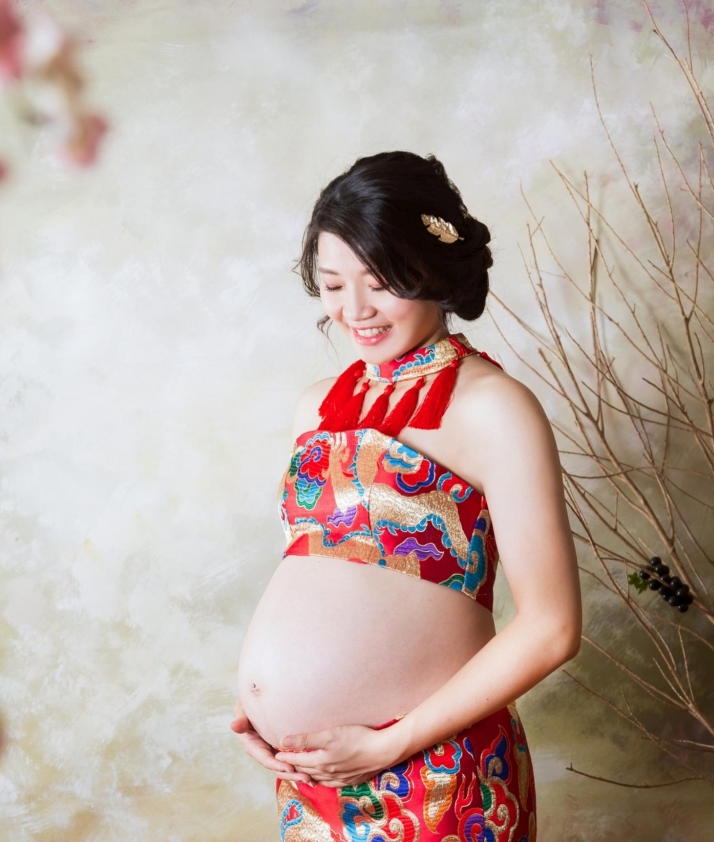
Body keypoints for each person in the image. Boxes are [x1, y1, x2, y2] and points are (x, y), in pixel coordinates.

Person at [231, 151, 582, 841]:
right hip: (314, 783)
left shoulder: (495, 409)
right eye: (333, 284)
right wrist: (267, 710)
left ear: (433, 269)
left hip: (436, 775)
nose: (354, 310)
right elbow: (324, 581)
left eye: (380, 281)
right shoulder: (315, 407)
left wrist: (393, 743)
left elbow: (553, 627)